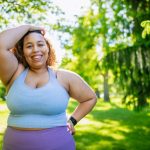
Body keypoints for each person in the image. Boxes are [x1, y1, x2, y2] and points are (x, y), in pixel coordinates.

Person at [0, 25, 97, 150]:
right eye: (29, 46)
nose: (35, 50)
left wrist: (72, 121)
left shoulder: (63, 77)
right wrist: (29, 27)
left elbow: (89, 98)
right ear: (22, 51)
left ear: (48, 48)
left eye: (40, 44)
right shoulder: (14, 73)